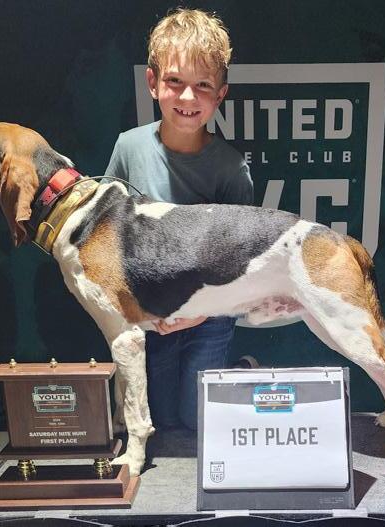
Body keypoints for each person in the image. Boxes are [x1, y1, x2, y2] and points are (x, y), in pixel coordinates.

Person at [104, 8, 254, 431]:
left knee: (195, 419)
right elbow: (109, 233)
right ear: (153, 83)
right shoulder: (128, 148)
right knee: (163, 419)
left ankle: (241, 371)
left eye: (203, 85)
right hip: (149, 316)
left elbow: (238, 264)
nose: (188, 98)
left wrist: (200, 314)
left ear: (220, 95)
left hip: (210, 317)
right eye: (175, 82)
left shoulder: (231, 169)